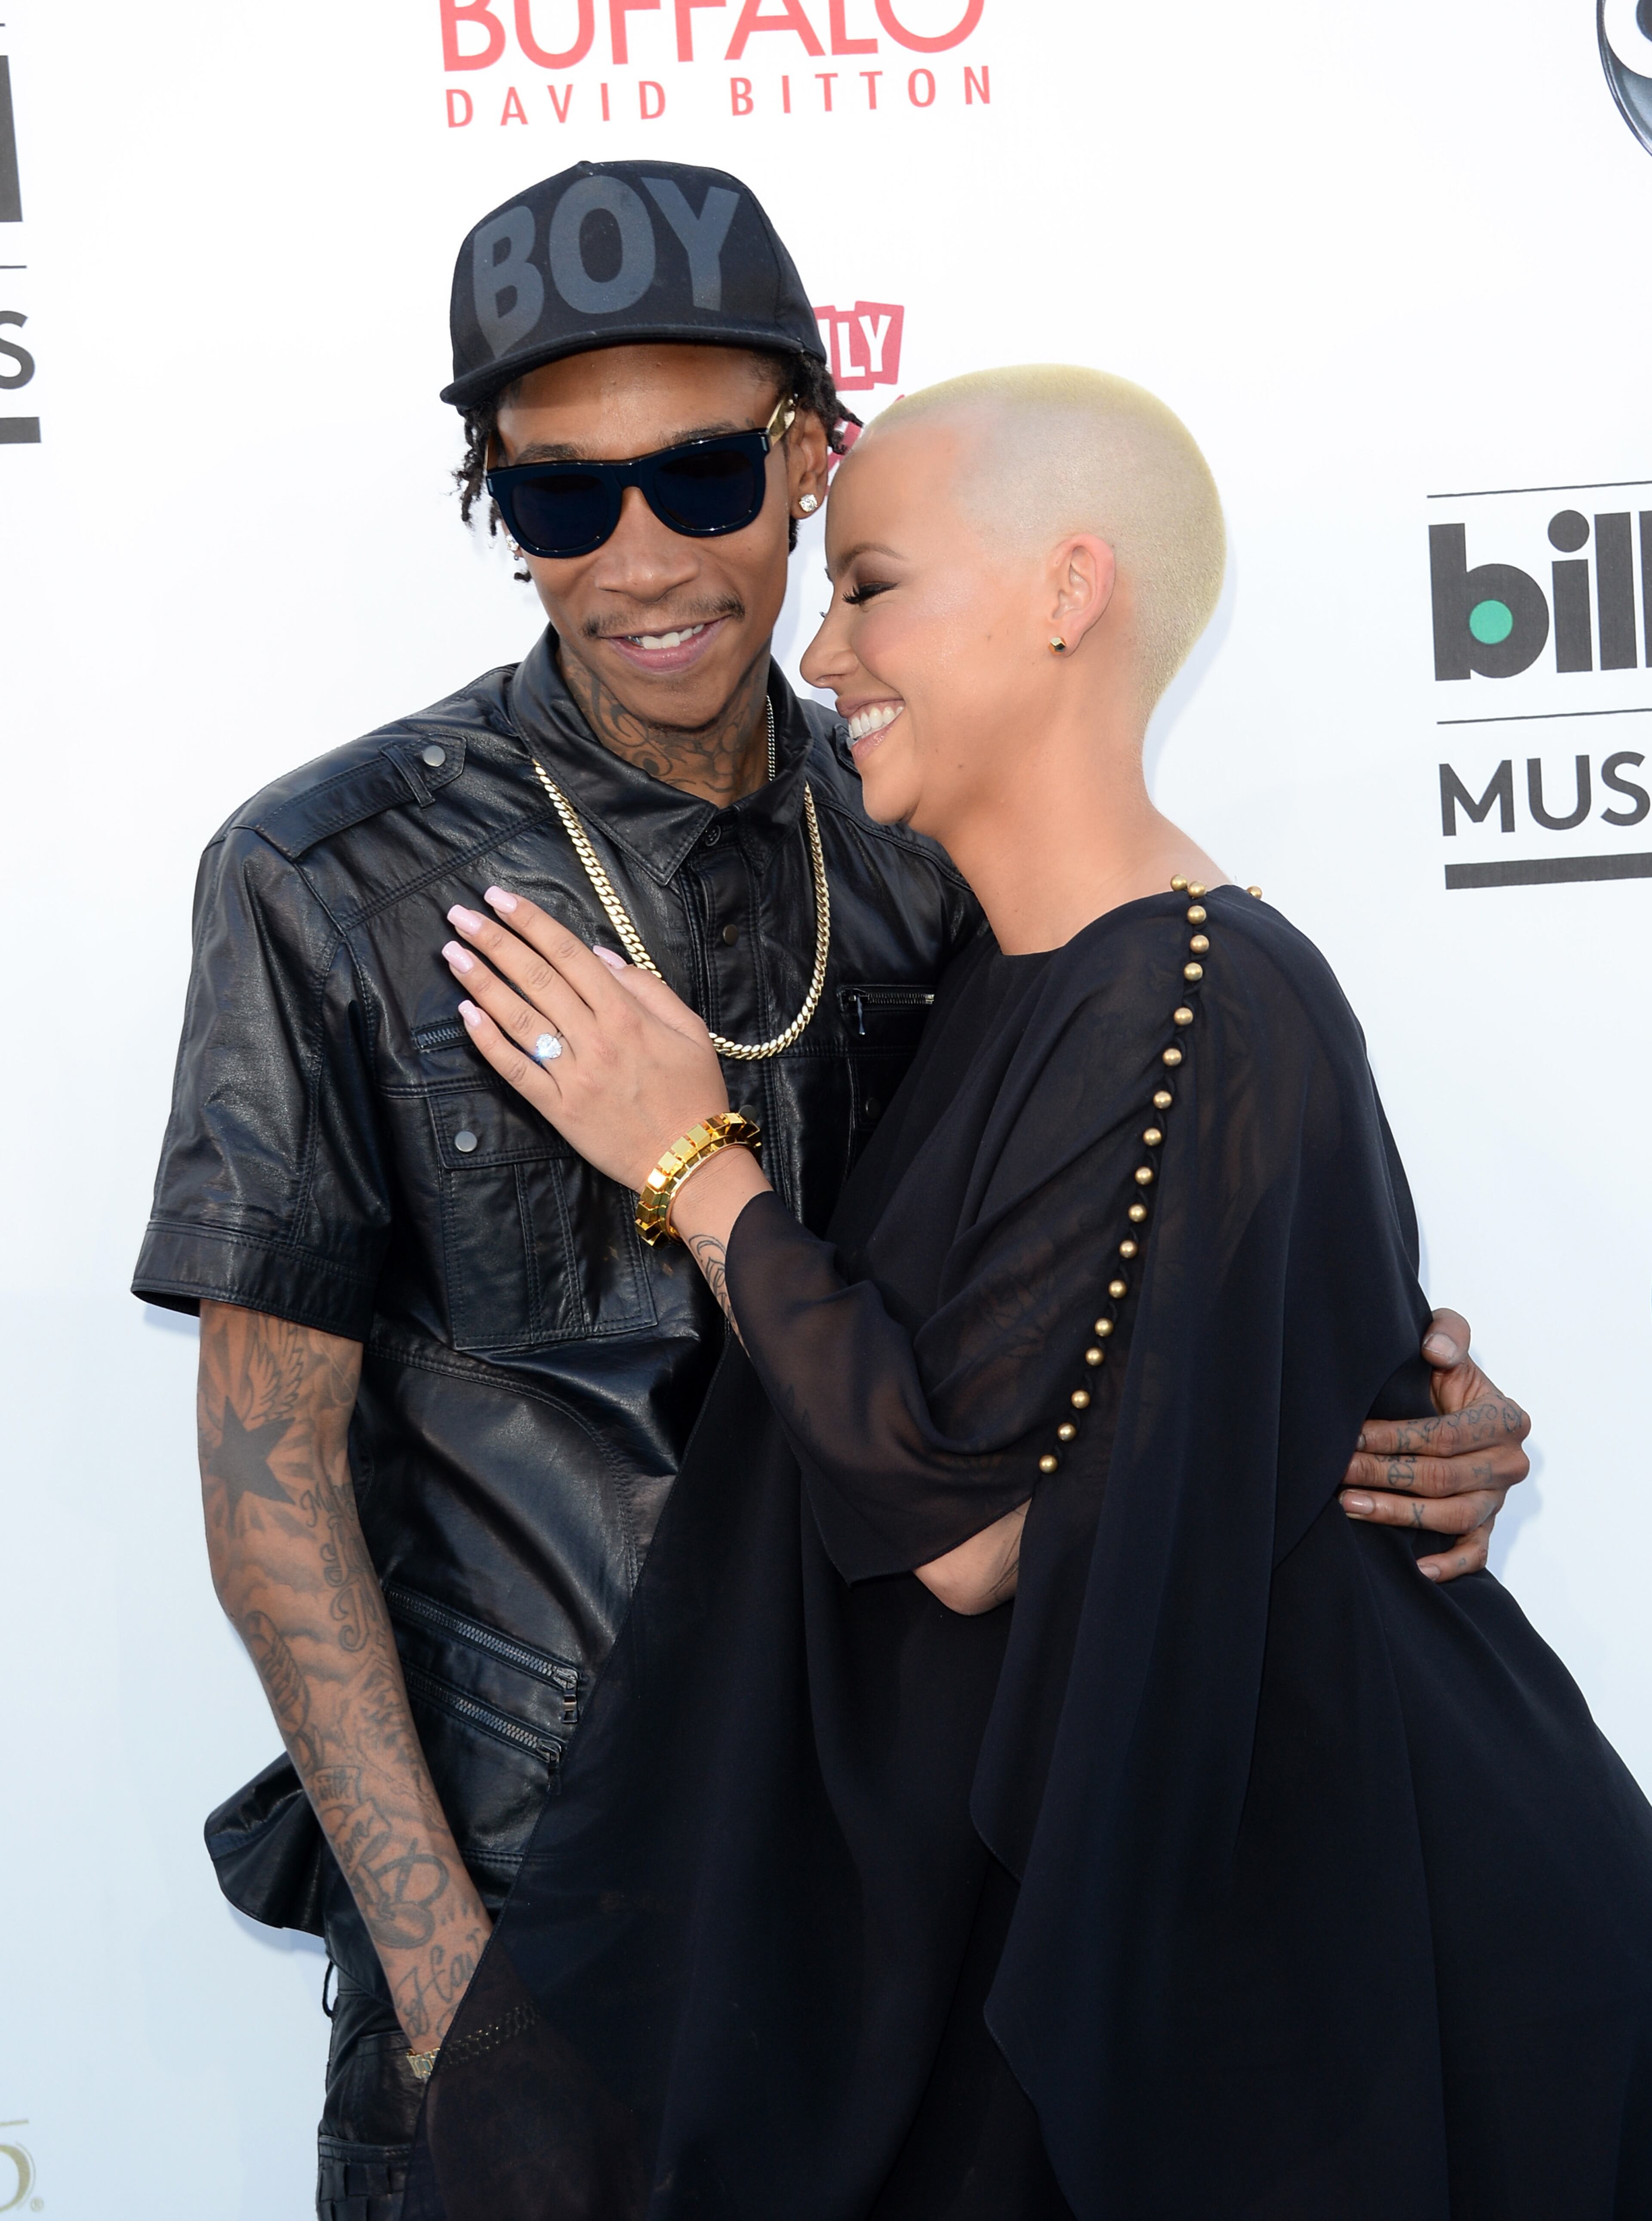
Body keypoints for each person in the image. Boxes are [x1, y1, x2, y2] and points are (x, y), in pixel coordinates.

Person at [133, 164, 1526, 2221]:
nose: (640, 560)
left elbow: (1125, 1315)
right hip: (535, 1911)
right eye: (553, 498)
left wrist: (1383, 1421)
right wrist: (457, 2000)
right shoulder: (328, 876)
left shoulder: (937, 838)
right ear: (495, 517)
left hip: (904, 1943)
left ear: (809, 454)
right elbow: (272, 1481)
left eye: (702, 472)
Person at [404, 367, 1652, 2218]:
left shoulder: (1199, 994)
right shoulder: (1031, 985)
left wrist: (689, 1155)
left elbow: (974, 1519)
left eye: (875, 585)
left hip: (1340, 1995)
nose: (825, 654)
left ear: (1072, 592)